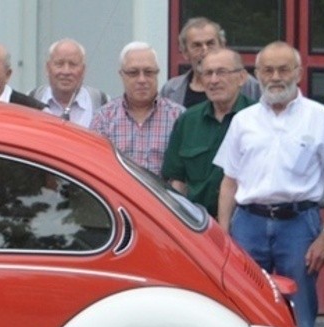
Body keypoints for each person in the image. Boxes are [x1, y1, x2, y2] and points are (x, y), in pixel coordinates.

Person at [214, 41, 324, 327]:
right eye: (268, 70)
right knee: (244, 309)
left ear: (298, 73)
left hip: (299, 226)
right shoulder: (243, 120)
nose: (275, 77)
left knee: (301, 314)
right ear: (257, 74)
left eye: (283, 69)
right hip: (248, 224)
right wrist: (223, 234)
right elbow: (229, 181)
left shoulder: (321, 118)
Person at [160, 48, 253, 216]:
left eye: (221, 72)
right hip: (199, 221)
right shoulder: (188, 120)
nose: (213, 80)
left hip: (245, 220)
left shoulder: (257, 118)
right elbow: (177, 180)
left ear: (241, 77)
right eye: (208, 73)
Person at [89, 42, 184, 175]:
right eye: (133, 73)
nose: (142, 79)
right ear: (121, 75)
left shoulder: (178, 117)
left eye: (148, 72)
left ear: (157, 73)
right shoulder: (103, 119)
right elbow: (94, 168)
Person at [160, 17, 261, 108]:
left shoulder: (248, 84)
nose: (205, 51)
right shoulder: (170, 89)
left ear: (222, 46)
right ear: (185, 53)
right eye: (197, 45)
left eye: (210, 43)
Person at [29, 39, 109, 127]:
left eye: (72, 64)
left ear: (83, 70)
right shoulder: (31, 99)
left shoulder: (101, 102)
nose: (66, 71)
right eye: (59, 64)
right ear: (47, 68)